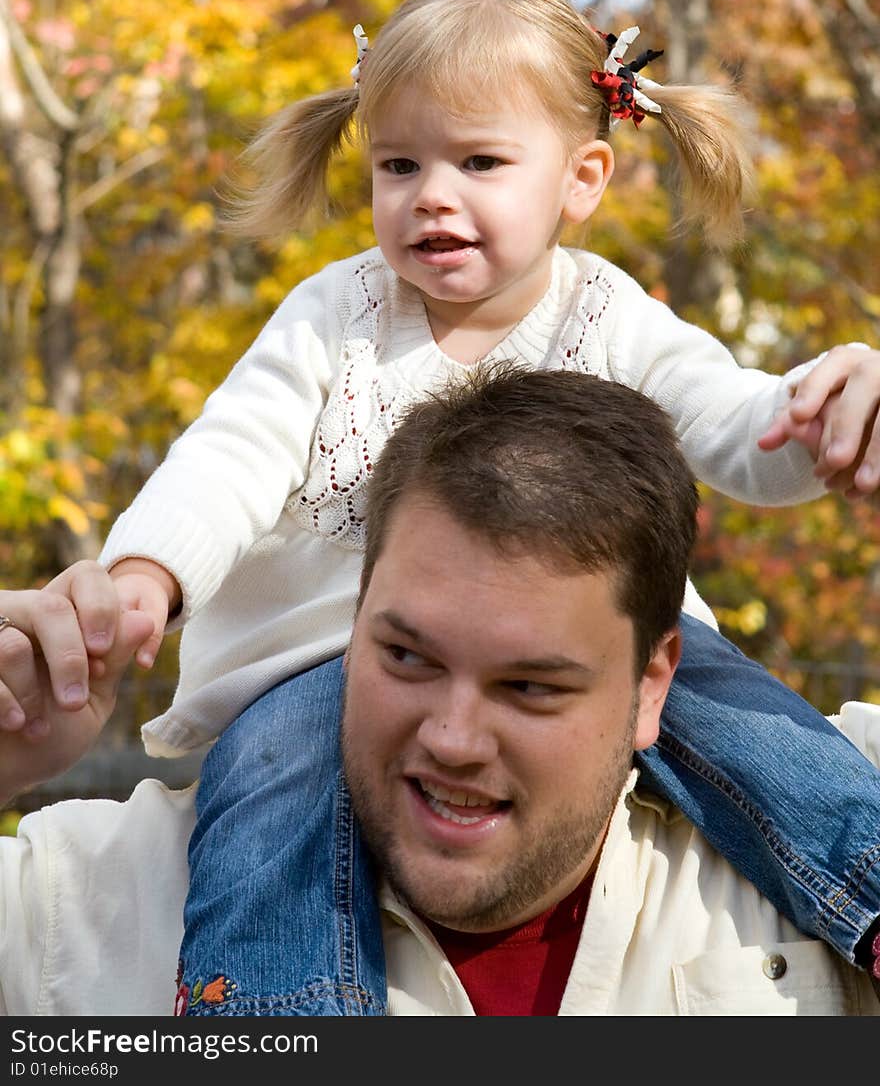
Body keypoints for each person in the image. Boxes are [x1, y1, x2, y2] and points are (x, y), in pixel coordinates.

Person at [3, 0, 880, 1016]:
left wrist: (828, 412)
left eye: (479, 162)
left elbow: (738, 425)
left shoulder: (610, 314)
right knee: (272, 795)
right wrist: (144, 575)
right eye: (398, 163)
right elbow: (228, 457)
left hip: (604, 633)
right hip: (324, 655)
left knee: (756, 728)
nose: (430, 194)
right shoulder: (336, 316)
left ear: (581, 178)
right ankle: (272, 1018)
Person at [1, 369, 878, 1016]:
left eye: (530, 686)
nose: (454, 738)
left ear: (655, 682)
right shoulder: (98, 901)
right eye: (407, 658)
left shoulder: (816, 823)